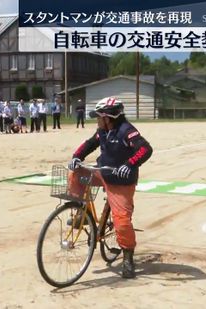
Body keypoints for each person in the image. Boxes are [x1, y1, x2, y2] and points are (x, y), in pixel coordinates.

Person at [68, 97, 153, 279]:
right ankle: (80, 213)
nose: (97, 121)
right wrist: (76, 156)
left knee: (122, 222)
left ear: (108, 117)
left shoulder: (126, 131)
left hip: (120, 181)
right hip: (102, 172)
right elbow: (91, 143)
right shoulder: (103, 131)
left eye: (99, 117)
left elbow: (145, 149)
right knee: (75, 174)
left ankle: (128, 257)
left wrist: (130, 164)